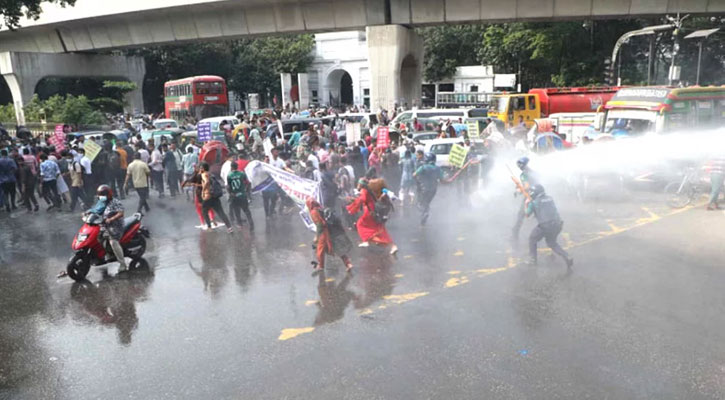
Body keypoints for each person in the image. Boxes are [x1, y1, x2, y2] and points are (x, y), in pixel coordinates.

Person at [525, 184, 573, 268]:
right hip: (558, 224)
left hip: (545, 225)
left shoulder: (534, 202)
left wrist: (526, 204)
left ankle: (532, 260)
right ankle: (567, 256)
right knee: (552, 243)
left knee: (532, 239)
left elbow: (527, 214)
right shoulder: (550, 198)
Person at [346, 178, 398, 255]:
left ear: (361, 184)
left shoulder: (364, 190)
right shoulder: (369, 190)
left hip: (369, 213)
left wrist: (354, 202)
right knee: (378, 229)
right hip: (372, 211)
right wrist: (355, 200)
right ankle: (390, 245)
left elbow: (363, 199)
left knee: (362, 227)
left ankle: (385, 244)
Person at [307, 198, 353, 272]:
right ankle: (348, 263)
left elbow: (320, 225)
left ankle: (321, 266)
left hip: (324, 234)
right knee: (337, 248)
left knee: (320, 250)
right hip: (329, 232)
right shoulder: (319, 208)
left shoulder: (313, 212)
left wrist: (317, 236)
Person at [95, 185, 128, 272]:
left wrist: (111, 219)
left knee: (113, 242)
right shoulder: (102, 202)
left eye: (102, 195)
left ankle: (123, 264)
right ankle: (105, 255)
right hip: (105, 224)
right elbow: (95, 210)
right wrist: (87, 213)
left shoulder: (115, 202)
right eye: (99, 195)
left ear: (108, 195)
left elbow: (121, 213)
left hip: (116, 225)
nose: (100, 197)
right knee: (98, 237)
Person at [512, 156, 539, 244]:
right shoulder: (533, 172)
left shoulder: (524, 174)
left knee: (521, 215)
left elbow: (526, 186)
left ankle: (515, 234)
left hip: (529, 196)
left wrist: (518, 190)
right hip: (537, 195)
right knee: (539, 215)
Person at [200, 162, 233, 233]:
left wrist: (202, 192)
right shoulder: (212, 175)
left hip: (208, 197)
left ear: (202, 168)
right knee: (221, 212)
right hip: (215, 196)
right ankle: (229, 227)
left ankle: (209, 226)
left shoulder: (203, 175)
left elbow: (204, 184)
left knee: (204, 211)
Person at [413, 152, 445, 225]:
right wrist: (449, 181)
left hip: (423, 188)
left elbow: (414, 174)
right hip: (433, 190)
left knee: (420, 203)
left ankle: (424, 213)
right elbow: (442, 180)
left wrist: (419, 180)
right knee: (427, 203)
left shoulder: (423, 167)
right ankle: (424, 215)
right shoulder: (438, 168)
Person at [226, 162, 254, 231]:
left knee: (237, 211)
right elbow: (248, 183)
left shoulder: (229, 175)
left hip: (235, 196)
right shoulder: (242, 174)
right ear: (237, 167)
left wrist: (230, 193)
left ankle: (240, 225)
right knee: (246, 210)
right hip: (242, 195)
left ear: (231, 167)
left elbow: (228, 186)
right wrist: (246, 190)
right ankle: (251, 224)